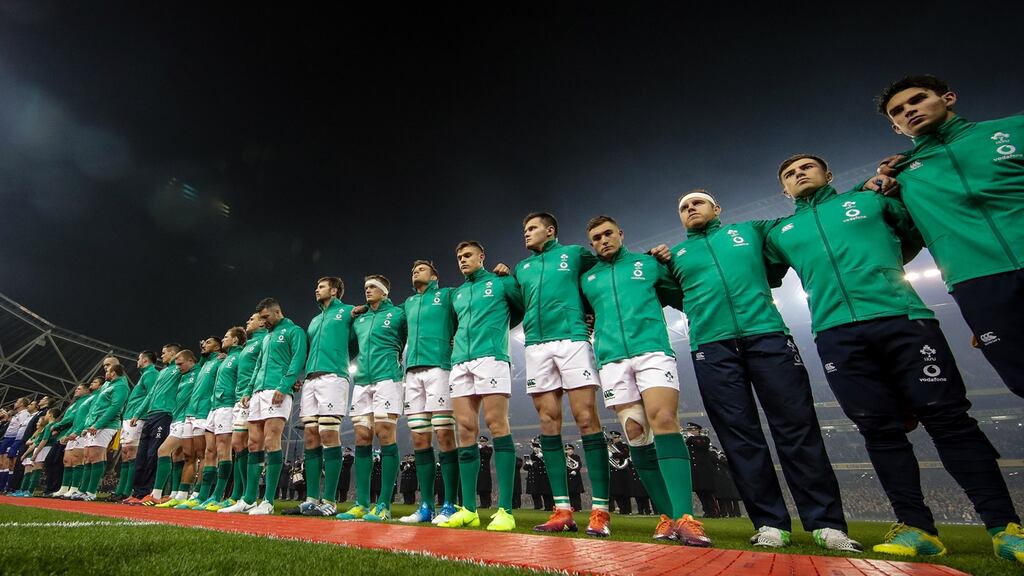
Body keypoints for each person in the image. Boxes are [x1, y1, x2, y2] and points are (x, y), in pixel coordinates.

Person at [765, 153, 1023, 561]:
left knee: (950, 420)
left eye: (806, 168)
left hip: (903, 318)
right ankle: (917, 528)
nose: (798, 175)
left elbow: (916, 235)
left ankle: (1004, 527)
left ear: (828, 175)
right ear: (784, 190)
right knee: (878, 431)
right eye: (789, 175)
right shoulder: (780, 232)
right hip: (834, 334)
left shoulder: (873, 200)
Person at [650, 189, 855, 550]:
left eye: (697, 203)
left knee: (797, 427)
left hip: (768, 336)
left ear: (717, 208)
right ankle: (769, 523)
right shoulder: (675, 256)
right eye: (683, 207)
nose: (690, 209)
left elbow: (795, 235)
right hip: (711, 347)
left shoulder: (753, 231)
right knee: (739, 438)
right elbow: (672, 295)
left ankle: (826, 523)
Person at [874, 75, 1024, 403]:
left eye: (917, 100)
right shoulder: (899, 177)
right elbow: (895, 240)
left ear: (949, 98)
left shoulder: (1015, 130)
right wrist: (876, 185)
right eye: (898, 111)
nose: (909, 110)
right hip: (978, 283)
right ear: (896, 128)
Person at [579, 215, 710, 547]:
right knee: (636, 434)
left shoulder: (647, 265)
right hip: (611, 359)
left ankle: (687, 517)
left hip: (652, 350)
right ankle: (668, 516)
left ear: (621, 233)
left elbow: (679, 294)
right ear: (591, 243)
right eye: (596, 237)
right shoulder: (588, 278)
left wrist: (670, 259)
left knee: (664, 419)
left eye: (608, 233)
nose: (603, 240)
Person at [501, 212, 611, 536]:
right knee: (548, 421)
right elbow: (517, 306)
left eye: (532, 227)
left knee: (586, 416)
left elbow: (600, 280)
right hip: (535, 345)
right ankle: (562, 509)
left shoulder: (575, 254)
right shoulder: (523, 268)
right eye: (524, 229)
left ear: (550, 231)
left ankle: (601, 511)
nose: (526, 233)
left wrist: (591, 314)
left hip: (572, 338)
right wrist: (505, 278)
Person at [438, 240, 524, 531]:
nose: (462, 260)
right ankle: (469, 510)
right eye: (459, 256)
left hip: (492, 356)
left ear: (482, 257)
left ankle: (506, 511)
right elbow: (452, 325)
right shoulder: (458, 293)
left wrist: (496, 329)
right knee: (464, 430)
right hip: (461, 361)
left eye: (468, 255)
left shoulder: (500, 282)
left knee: (496, 424)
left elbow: (521, 309)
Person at [221, 297, 308, 515]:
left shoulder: (294, 331)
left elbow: (298, 359)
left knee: (271, 440)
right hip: (258, 392)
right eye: (262, 319)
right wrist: (249, 391)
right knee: (253, 444)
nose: (264, 321)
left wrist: (285, 384)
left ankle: (268, 501)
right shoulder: (267, 338)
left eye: (266, 317)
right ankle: (249, 498)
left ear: (277, 312)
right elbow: (258, 366)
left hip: (277, 391)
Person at [336, 275, 407, 522]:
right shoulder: (361, 318)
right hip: (362, 381)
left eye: (373, 287)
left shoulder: (399, 314)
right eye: (365, 287)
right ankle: (361, 503)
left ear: (385, 291)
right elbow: (350, 348)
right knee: (362, 438)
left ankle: (384, 504)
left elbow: (410, 337)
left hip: (388, 378)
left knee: (386, 435)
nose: (367, 290)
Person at [397, 260, 460, 525]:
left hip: (439, 368)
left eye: (420, 269)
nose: (415, 273)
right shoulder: (408, 304)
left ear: (435, 276)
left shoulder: (447, 296)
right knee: (420, 440)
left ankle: (450, 504)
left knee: (444, 435)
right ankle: (425, 506)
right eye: (412, 270)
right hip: (412, 373)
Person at [294, 277, 356, 517]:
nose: (316, 289)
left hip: (333, 377)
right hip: (311, 379)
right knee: (310, 437)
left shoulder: (349, 312)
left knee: (328, 433)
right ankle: (311, 499)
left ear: (334, 290)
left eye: (320, 286)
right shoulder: (314, 320)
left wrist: (341, 359)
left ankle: (329, 500)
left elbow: (355, 344)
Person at [198, 327, 246, 511]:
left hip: (227, 405)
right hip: (214, 407)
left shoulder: (239, 356)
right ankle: (203, 495)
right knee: (209, 451)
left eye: (226, 337)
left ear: (235, 340)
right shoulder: (223, 358)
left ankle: (218, 494)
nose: (223, 339)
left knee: (223, 451)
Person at [126, 343, 181, 504]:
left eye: (164, 353)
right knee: (142, 455)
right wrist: (138, 413)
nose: (162, 356)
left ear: (172, 354)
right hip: (150, 415)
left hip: (164, 414)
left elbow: (194, 365)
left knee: (153, 454)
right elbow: (150, 395)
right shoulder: (162, 372)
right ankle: (137, 492)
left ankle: (151, 492)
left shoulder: (178, 370)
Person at [222, 314, 267, 508]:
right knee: (238, 444)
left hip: (255, 395)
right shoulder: (248, 345)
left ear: (262, 322)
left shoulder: (265, 339)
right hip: (241, 397)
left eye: (252, 319)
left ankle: (248, 495)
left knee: (253, 443)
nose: (248, 321)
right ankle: (239, 494)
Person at [175, 336, 223, 509]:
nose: (204, 344)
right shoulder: (204, 364)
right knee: (188, 454)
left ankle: (199, 492)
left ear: (217, 346)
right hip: (191, 412)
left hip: (204, 411)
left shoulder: (219, 361)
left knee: (204, 454)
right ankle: (181, 494)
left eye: (208, 343)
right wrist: (203, 353)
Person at [151, 349, 201, 507]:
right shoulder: (182, 376)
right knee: (177, 456)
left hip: (187, 419)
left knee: (163, 451)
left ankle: (156, 494)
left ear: (191, 361)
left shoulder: (199, 371)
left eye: (180, 364)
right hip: (176, 418)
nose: (178, 367)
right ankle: (176, 494)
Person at [110, 351, 158, 502]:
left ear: (144, 360)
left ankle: (128, 490)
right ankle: (120, 490)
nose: (137, 361)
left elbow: (152, 395)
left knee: (132, 453)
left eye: (138, 358)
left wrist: (139, 413)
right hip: (130, 416)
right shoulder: (145, 374)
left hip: (138, 418)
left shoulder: (151, 374)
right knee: (126, 454)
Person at [78, 363, 129, 501]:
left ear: (113, 373)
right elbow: (96, 407)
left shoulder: (121, 386)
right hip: (95, 424)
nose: (105, 372)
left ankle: (91, 491)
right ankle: (83, 490)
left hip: (107, 425)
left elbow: (115, 407)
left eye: (107, 370)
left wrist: (98, 424)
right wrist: (89, 425)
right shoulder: (108, 385)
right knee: (88, 456)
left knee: (96, 456)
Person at [47, 384, 88, 497]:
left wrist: (58, 425)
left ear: (86, 390)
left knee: (66, 461)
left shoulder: (85, 401)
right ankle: (61, 488)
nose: (76, 390)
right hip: (68, 433)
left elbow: (71, 418)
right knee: (64, 461)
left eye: (79, 389)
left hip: (73, 433)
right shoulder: (77, 402)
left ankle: (68, 488)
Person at [684, 425, 718, 518]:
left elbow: (702, 445)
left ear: (698, 430)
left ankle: (714, 511)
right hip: (696, 471)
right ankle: (706, 510)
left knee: (708, 492)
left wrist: (691, 438)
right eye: (689, 430)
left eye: (692, 429)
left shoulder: (704, 439)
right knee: (700, 492)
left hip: (704, 471)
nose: (690, 431)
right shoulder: (689, 441)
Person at [607, 431, 632, 515]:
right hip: (614, 471)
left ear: (619, 437)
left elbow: (625, 454)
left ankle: (627, 510)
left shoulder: (624, 446)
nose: (614, 439)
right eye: (613, 438)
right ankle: (621, 509)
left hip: (622, 471)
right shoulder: (609, 446)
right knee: (616, 492)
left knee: (625, 492)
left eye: (615, 437)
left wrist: (613, 455)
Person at [524, 437, 551, 510]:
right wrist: (529, 463)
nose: (535, 448)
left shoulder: (545, 453)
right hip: (539, 476)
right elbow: (532, 462)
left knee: (547, 493)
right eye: (534, 447)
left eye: (537, 447)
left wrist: (542, 457)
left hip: (545, 476)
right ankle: (544, 507)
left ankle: (549, 507)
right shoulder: (534, 455)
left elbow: (549, 463)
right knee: (541, 492)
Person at [565, 444, 584, 513]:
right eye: (567, 449)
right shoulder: (563, 457)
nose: (569, 451)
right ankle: (571, 507)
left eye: (570, 449)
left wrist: (575, 471)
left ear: (573, 450)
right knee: (569, 494)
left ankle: (578, 508)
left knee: (576, 494)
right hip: (567, 476)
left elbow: (579, 465)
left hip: (575, 477)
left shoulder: (576, 457)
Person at [476, 435, 493, 508]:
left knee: (486, 488)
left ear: (486, 442)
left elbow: (487, 454)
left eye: (483, 441)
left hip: (486, 471)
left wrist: (481, 448)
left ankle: (488, 504)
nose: (482, 443)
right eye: (481, 441)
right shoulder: (478, 450)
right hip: (479, 471)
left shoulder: (489, 449)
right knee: (481, 488)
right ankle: (482, 503)